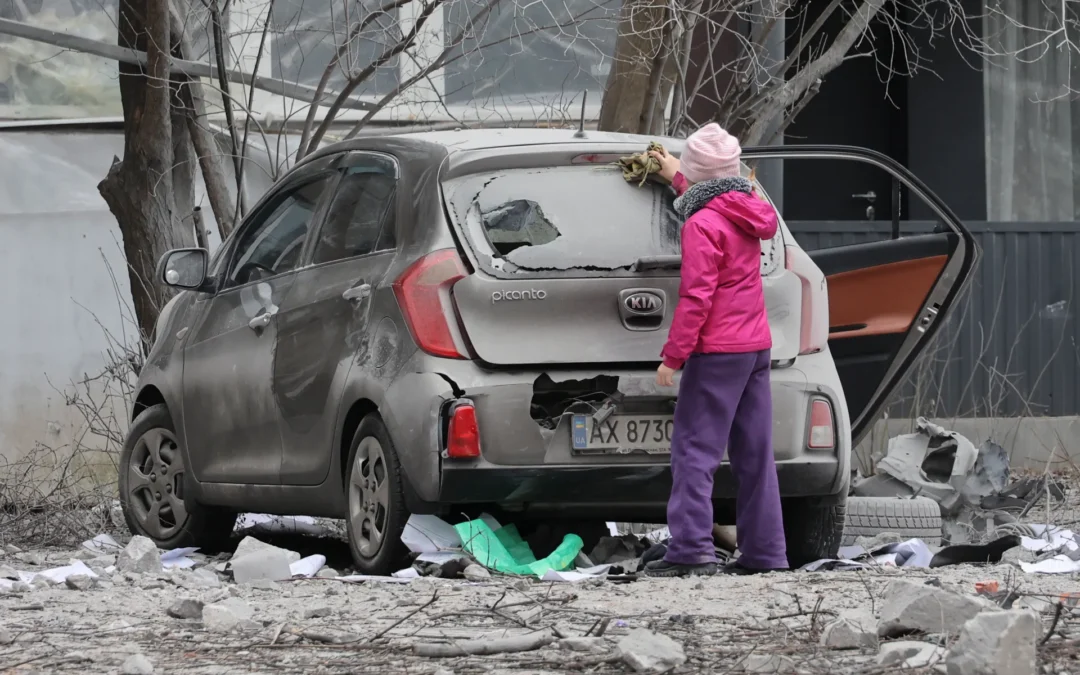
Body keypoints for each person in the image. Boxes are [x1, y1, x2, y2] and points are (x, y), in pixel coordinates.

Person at [643, 123, 789, 577]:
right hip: (755, 349)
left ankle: (690, 551)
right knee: (754, 454)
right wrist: (677, 177)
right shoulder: (749, 208)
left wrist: (673, 356)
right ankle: (766, 555)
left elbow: (696, 297)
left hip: (717, 352)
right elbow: (714, 194)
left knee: (693, 452)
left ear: (696, 172)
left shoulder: (700, 224)